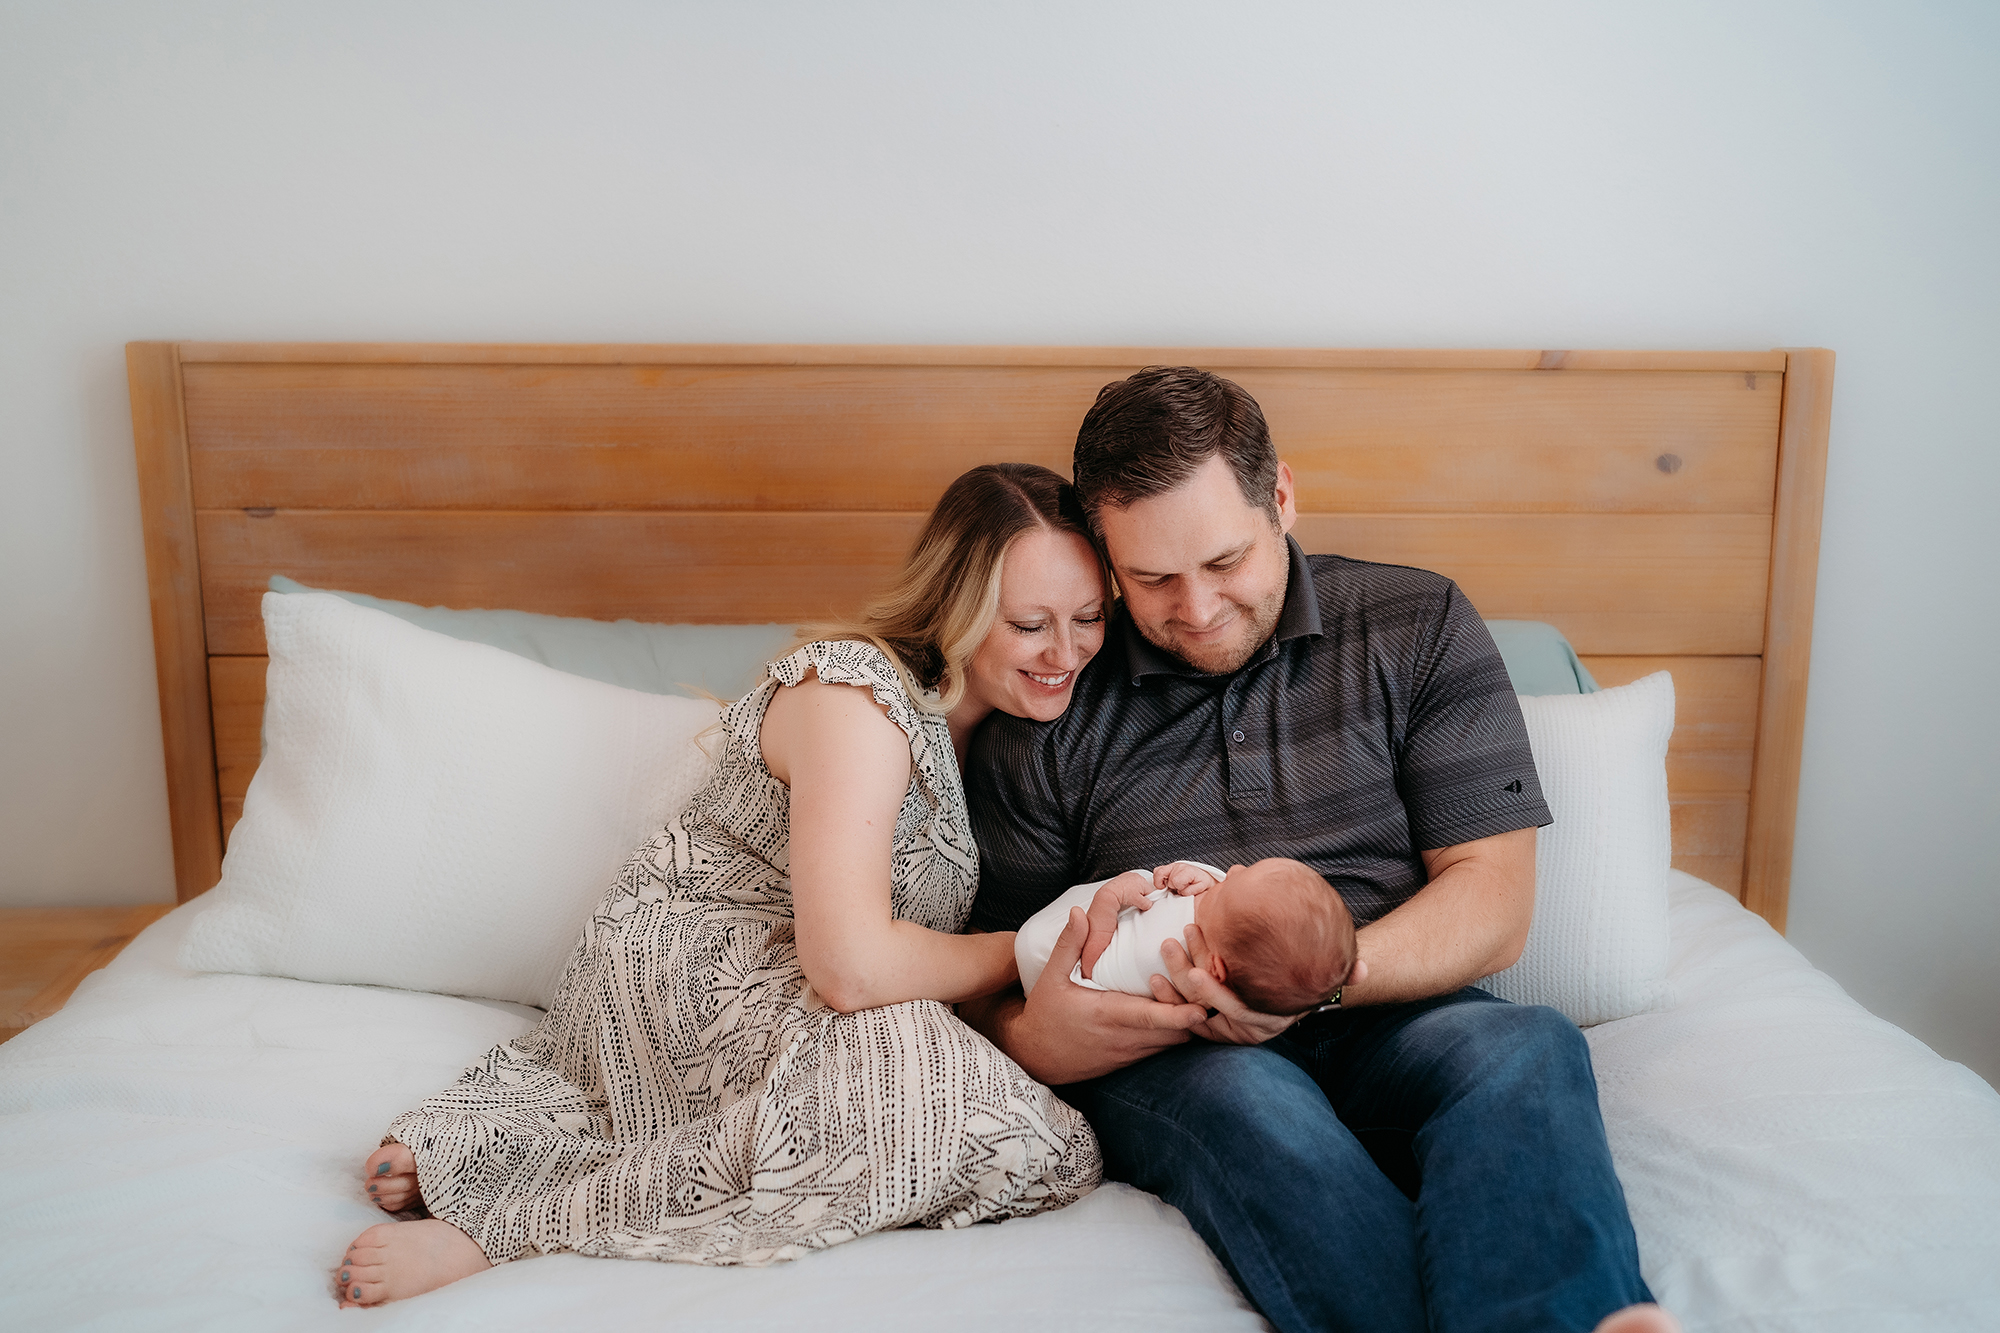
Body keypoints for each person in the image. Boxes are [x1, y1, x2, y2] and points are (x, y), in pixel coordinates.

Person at [960, 368, 1676, 1333]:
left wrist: (1313, 984)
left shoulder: (1416, 626)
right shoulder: (1051, 704)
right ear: (1104, 554)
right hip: (1180, 1044)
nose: (1198, 607)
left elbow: (1494, 901)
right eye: (1152, 579)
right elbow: (991, 970)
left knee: (1523, 1050)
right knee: (1256, 1113)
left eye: (1224, 560)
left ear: (1282, 498)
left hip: (1396, 1006)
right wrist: (1035, 1038)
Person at [333, 463, 1109, 1307]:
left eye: (1090, 618)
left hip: (811, 989)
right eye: (1031, 624)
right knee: (915, 1090)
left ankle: (519, 1144)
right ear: (956, 608)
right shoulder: (858, 695)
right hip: (700, 959)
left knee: (1044, 1145)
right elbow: (850, 966)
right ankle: (504, 1226)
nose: (1066, 653)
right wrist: (1027, 952)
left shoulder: (1005, 733)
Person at [1014, 859, 1358, 1015]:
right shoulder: (1220, 935)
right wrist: (1199, 876)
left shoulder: (1162, 955)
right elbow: (1216, 898)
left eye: (1235, 880)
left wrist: (1107, 902)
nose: (1234, 869)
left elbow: (1090, 970)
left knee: (1033, 943)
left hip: (1048, 955)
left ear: (1213, 968)